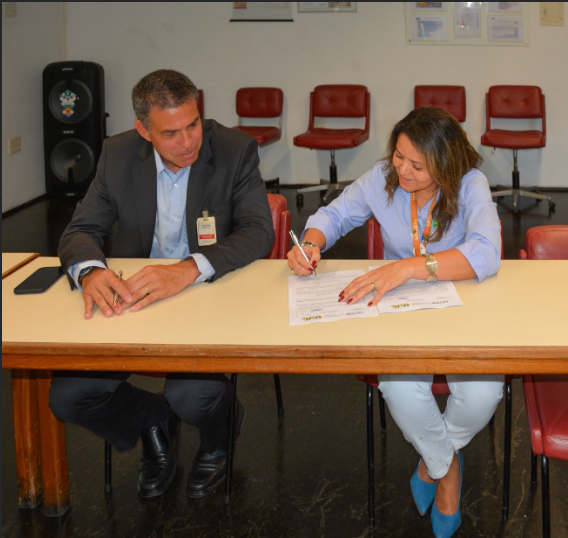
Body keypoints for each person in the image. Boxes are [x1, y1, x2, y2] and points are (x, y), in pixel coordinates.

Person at [50, 69, 274, 501]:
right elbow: (80, 230)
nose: (188, 142)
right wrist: (91, 272)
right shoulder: (117, 154)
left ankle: (217, 441)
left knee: (192, 395)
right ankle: (151, 419)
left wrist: (189, 268)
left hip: (207, 295)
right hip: (135, 300)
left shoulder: (234, 150)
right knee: (70, 395)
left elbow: (258, 231)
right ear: (143, 130)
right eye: (170, 133)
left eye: (193, 124)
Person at [287, 106, 503, 538]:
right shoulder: (383, 177)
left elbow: (486, 251)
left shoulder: (470, 184)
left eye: (417, 165)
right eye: (399, 156)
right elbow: (333, 215)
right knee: (400, 390)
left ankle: (431, 461)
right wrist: (309, 244)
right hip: (398, 307)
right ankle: (447, 470)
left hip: (463, 304)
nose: (402, 170)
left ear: (446, 164)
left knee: (483, 394)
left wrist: (408, 267)